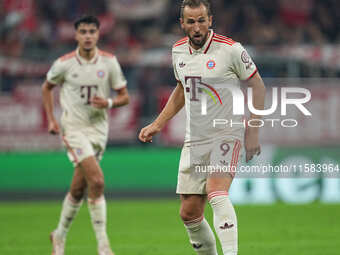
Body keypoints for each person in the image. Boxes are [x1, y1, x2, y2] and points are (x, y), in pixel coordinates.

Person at [139, 1, 265, 254]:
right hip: (195, 138)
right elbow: (182, 90)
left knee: (216, 192)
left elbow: (258, 87)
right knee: (189, 214)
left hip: (226, 132)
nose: (197, 27)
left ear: (210, 21)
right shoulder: (177, 52)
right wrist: (157, 124)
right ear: (182, 23)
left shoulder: (231, 50)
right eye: (191, 21)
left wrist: (252, 132)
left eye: (201, 20)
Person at [42, 15, 129, 255]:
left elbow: (125, 96)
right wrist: (51, 119)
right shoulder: (64, 64)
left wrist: (109, 102)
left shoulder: (109, 62)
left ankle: (58, 236)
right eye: (83, 31)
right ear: (76, 35)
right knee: (98, 181)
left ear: (98, 34)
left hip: (99, 131)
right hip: (74, 129)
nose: (88, 35)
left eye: (92, 31)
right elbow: (47, 87)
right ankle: (104, 246)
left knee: (79, 188)